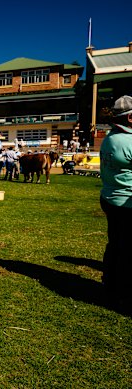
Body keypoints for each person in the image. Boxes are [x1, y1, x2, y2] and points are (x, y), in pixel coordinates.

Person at [99, 95, 132, 313]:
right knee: (127, 250)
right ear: (130, 117)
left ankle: (110, 283)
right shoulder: (129, 141)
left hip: (110, 197)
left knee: (115, 244)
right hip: (127, 202)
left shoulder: (109, 138)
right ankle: (124, 293)